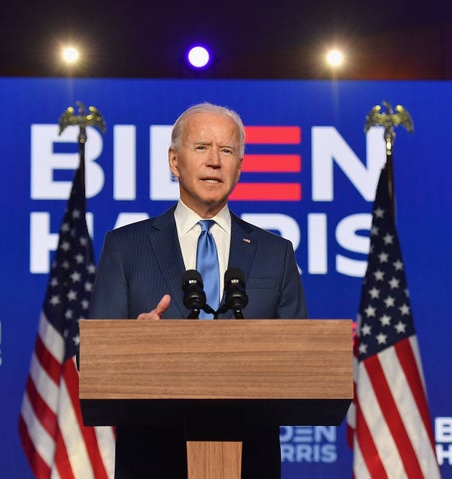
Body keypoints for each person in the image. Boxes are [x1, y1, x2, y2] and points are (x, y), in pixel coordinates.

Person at [89, 102, 308, 479]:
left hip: (249, 461)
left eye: (227, 151)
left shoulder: (277, 252)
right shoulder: (126, 246)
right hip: (152, 460)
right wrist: (130, 346)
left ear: (240, 166)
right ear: (174, 162)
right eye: (202, 148)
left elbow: (302, 361)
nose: (215, 161)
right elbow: (89, 358)